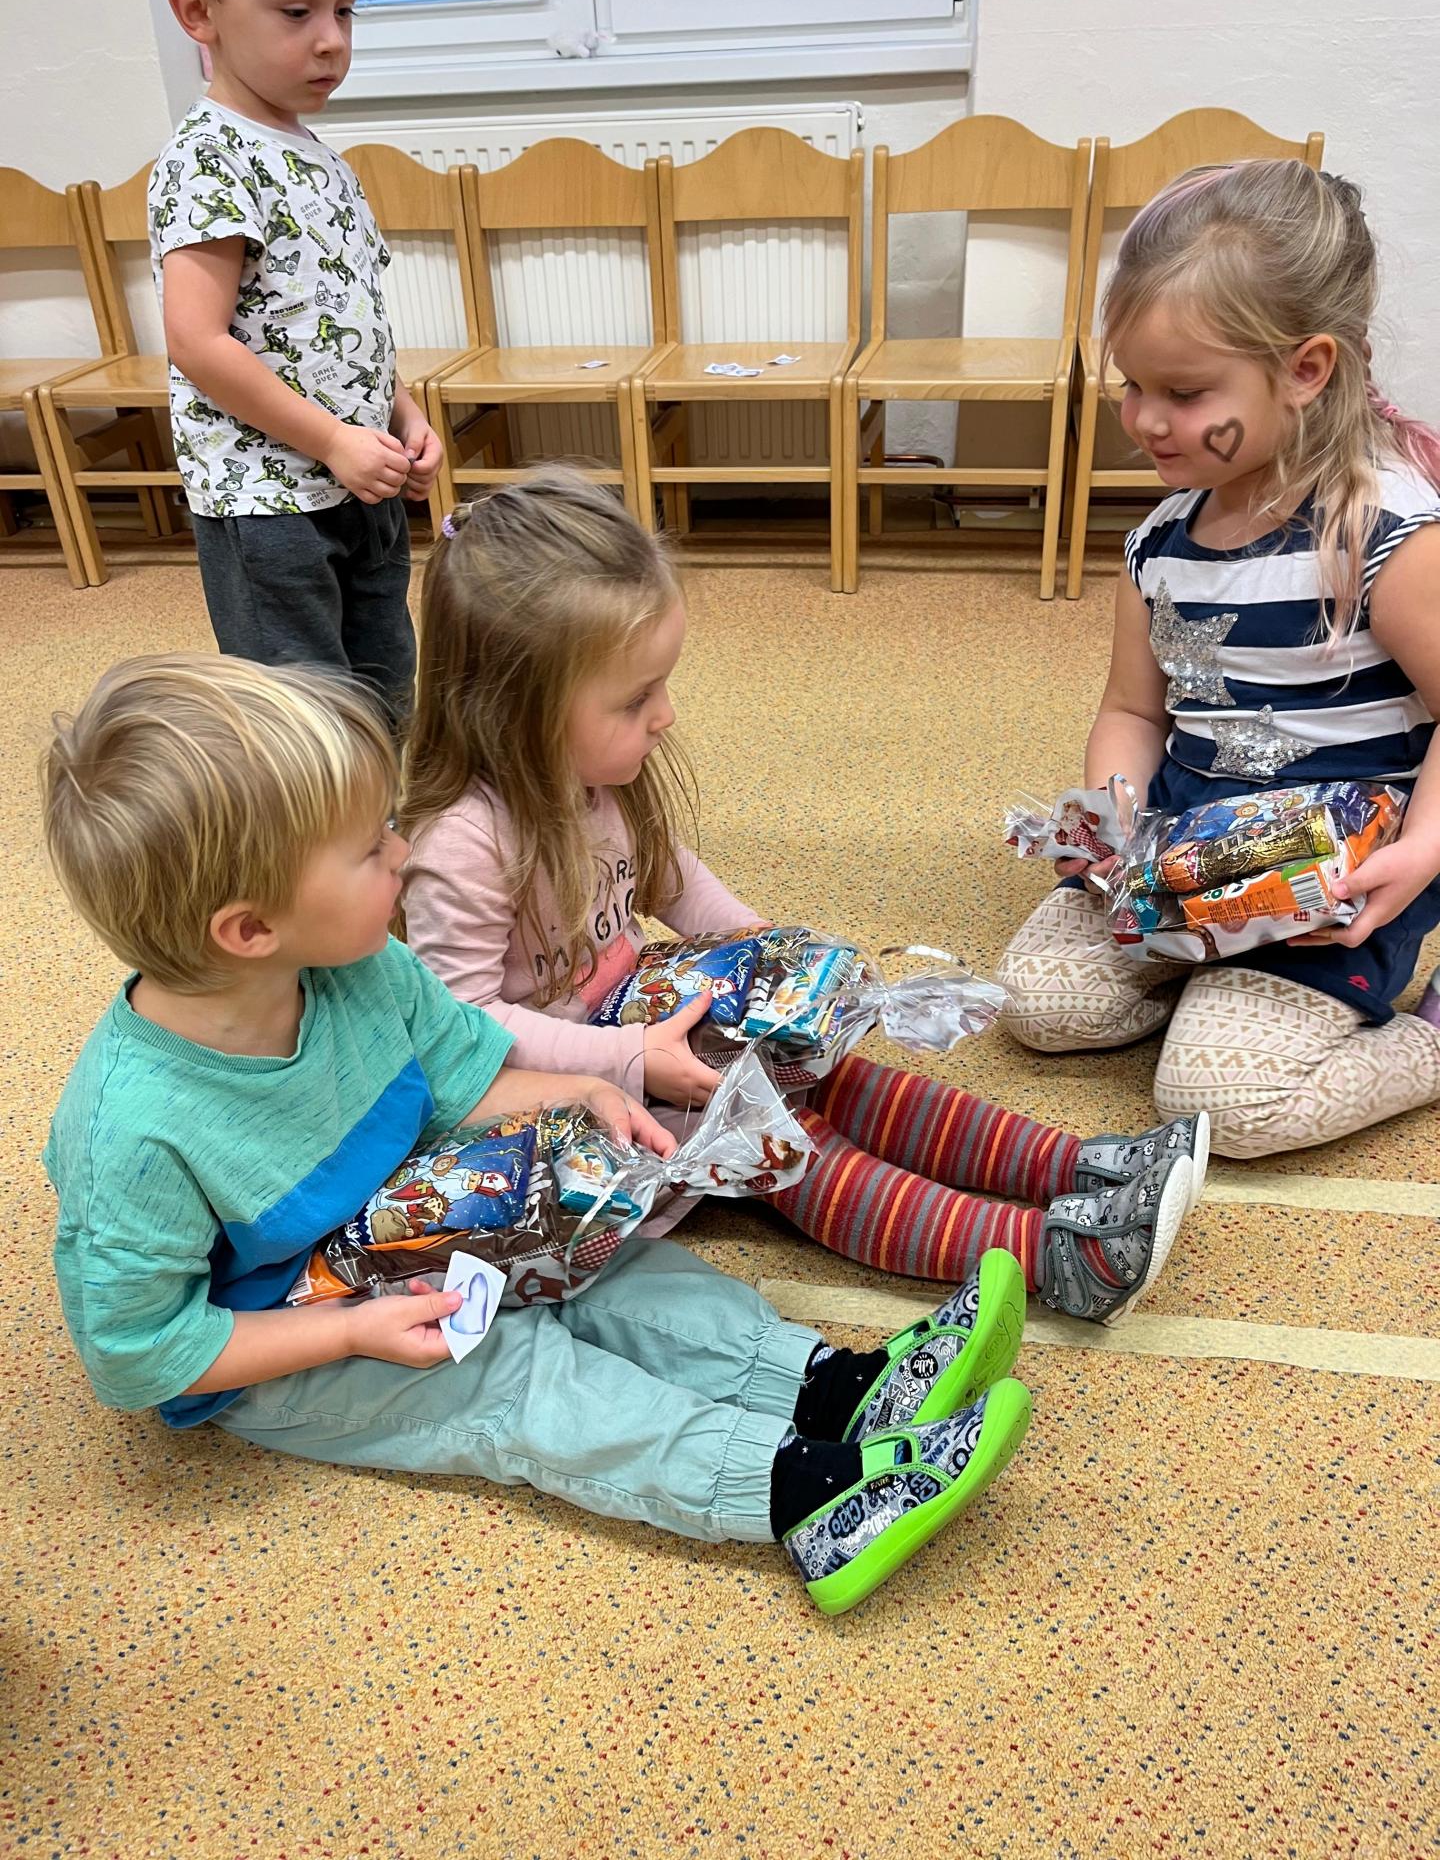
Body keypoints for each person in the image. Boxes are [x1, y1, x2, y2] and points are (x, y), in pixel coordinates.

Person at [41, 653, 1035, 1616]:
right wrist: (347, 1330)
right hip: (280, 1344)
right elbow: (139, 1353)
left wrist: (585, 1088)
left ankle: (835, 1390)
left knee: (614, 1268)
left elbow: (462, 1073)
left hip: (404, 1232)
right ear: (249, 930)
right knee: (515, 1378)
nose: (402, 853)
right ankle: (806, 1499)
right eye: (370, 848)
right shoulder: (134, 1132)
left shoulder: (359, 967)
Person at [398, 470, 1205, 1327]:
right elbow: (461, 1029)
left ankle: (1079, 1166)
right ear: (514, 711)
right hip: (564, 1096)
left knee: (836, 1075)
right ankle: (1056, 1257)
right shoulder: (461, 845)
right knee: (782, 1142)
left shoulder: (596, 777)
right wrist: (629, 1058)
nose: (664, 716)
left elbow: (671, 877)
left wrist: (763, 944)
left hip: (646, 1027)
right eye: (635, 699)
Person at [997, 161, 1440, 1158]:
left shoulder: (1387, 534)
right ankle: (1208, 977)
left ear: (1306, 370)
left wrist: (1420, 854)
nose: (1145, 420)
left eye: (1186, 393)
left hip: (1330, 874)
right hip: (1186, 844)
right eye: (1133, 387)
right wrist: (1110, 820)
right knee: (1037, 1006)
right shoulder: (1159, 543)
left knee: (1222, 1106)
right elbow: (1133, 710)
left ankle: (1423, 1036)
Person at [146, 0, 443, 719]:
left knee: (385, 684)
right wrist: (334, 439)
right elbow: (197, 342)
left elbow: (346, 317)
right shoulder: (207, 159)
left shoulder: (323, 160)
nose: (332, 39)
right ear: (197, 11)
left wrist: (403, 415)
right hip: (267, 501)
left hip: (359, 479)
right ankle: (331, 809)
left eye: (345, 10)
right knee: (302, 711)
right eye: (297, 11)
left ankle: (377, 804)